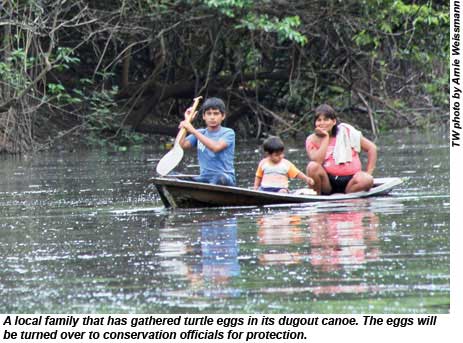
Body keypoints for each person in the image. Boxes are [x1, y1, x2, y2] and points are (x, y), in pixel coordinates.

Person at [306, 104, 377, 195]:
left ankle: (348, 195)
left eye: (326, 120)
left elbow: (372, 148)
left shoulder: (346, 132)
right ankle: (317, 197)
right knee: (312, 166)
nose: (322, 123)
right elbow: (317, 161)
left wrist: (368, 173)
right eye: (319, 120)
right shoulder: (311, 140)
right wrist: (325, 138)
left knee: (367, 180)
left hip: (352, 181)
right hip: (328, 182)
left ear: (334, 121)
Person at [179, 97, 235, 186]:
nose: (212, 117)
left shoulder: (228, 133)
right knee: (176, 177)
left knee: (220, 178)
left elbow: (216, 148)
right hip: (204, 178)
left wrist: (193, 130)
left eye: (216, 114)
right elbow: (181, 145)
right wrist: (187, 121)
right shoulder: (200, 133)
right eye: (209, 114)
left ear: (223, 116)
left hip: (224, 178)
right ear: (204, 116)